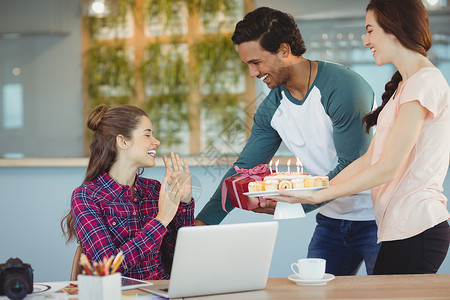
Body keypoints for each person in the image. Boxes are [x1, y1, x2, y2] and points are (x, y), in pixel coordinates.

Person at [195, 7, 380, 276]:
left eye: (256, 62)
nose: (252, 73)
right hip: (332, 219)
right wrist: (203, 224)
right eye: (247, 64)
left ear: (283, 50)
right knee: (315, 294)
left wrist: (298, 203)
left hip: (379, 217)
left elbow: (354, 164)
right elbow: (243, 169)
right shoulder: (272, 108)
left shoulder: (344, 88)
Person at [272, 0, 450, 275]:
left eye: (370, 30)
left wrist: (322, 195)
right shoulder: (407, 84)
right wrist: (316, 189)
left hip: (419, 228)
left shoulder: (424, 82)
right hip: (399, 229)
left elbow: (386, 168)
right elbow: (369, 159)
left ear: (394, 28)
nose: (365, 40)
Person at [61, 104, 194, 280]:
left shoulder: (154, 190)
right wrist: (161, 220)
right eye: (147, 134)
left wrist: (184, 202)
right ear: (123, 141)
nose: (156, 141)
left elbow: (180, 256)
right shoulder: (86, 197)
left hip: (161, 291)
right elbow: (106, 267)